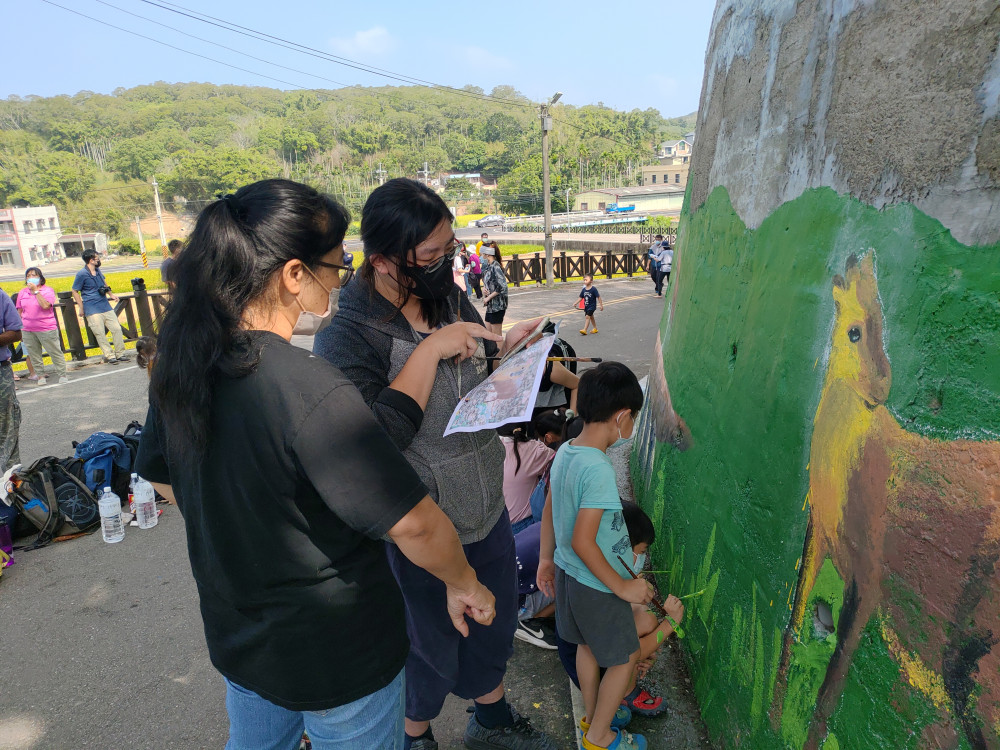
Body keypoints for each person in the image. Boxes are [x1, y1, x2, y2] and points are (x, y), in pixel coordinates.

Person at [134, 179, 496, 750]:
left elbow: (162, 477)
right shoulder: (309, 388)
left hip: (242, 636)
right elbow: (416, 523)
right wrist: (464, 581)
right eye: (336, 263)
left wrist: (251, 519)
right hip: (338, 651)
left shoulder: (183, 363)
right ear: (294, 274)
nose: (342, 275)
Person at [315, 178, 555, 750]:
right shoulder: (349, 333)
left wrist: (508, 352)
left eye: (449, 250)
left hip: (483, 501)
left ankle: (492, 718)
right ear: (382, 260)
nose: (444, 265)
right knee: (424, 644)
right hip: (414, 525)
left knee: (492, 624)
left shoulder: (446, 296)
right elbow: (373, 442)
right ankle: (415, 734)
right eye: (429, 257)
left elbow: (478, 381)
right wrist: (428, 350)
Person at [537, 361, 653, 750]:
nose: (632, 426)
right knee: (623, 659)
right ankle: (600, 737)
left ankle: (593, 716)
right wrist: (622, 587)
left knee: (586, 648)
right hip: (595, 584)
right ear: (621, 417)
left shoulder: (568, 450)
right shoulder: (598, 469)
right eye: (633, 418)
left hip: (571, 576)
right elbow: (586, 542)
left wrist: (545, 558)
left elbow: (552, 505)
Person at [72, 249, 129, 365]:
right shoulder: (82, 274)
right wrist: (81, 307)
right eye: (96, 257)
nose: (98, 259)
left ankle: (120, 353)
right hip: (91, 308)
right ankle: (110, 355)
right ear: (90, 260)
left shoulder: (98, 271)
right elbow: (74, 291)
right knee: (100, 333)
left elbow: (104, 284)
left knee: (117, 329)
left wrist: (111, 294)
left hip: (105, 305)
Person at [498, 422, 554, 535]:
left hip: (496, 527)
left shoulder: (489, 450)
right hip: (524, 525)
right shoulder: (535, 449)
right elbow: (557, 463)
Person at [15, 267, 67, 386]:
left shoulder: (47, 291)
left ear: (40, 277)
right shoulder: (22, 292)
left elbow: (45, 306)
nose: (31, 278)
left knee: (54, 352)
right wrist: (19, 328)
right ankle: (40, 376)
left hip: (46, 328)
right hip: (27, 329)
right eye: (28, 276)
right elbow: (19, 311)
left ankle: (62, 374)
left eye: (34, 275)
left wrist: (36, 292)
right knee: (34, 354)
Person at [0, 292, 21, 472]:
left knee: (7, 427)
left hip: (1, 372)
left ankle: (12, 486)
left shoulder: (1, 297)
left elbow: (16, 333)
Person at [481, 245, 509, 336]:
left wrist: (488, 298)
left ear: (488, 254)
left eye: (482, 253)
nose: (481, 255)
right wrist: (484, 290)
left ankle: (501, 350)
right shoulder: (488, 266)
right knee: (488, 334)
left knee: (496, 336)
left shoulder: (496, 266)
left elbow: (502, 287)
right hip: (490, 306)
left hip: (498, 306)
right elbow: (488, 283)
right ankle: (494, 350)